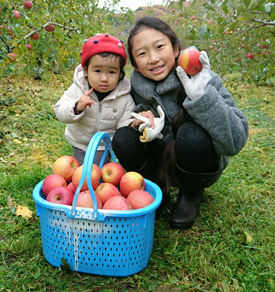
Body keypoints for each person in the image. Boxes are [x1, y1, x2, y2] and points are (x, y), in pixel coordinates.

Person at [112, 17, 249, 229]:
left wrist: (202, 98)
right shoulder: (136, 87)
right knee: (122, 138)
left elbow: (235, 141)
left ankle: (191, 193)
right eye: (142, 53)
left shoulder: (201, 77)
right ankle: (157, 189)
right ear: (136, 66)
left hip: (196, 158)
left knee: (189, 134)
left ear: (176, 49)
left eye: (159, 47)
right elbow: (133, 115)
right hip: (160, 159)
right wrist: (141, 117)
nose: (153, 58)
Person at [54, 33, 135, 166]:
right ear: (86, 71)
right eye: (97, 71)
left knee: (97, 173)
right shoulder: (78, 89)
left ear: (120, 73)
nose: (104, 78)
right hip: (79, 142)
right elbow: (59, 110)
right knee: (79, 172)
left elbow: (124, 126)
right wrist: (77, 107)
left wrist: (132, 125)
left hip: (103, 146)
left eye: (112, 72)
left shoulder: (124, 97)